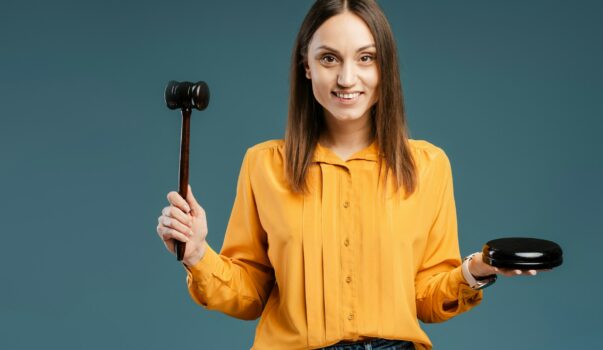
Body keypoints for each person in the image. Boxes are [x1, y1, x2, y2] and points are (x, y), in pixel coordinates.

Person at [156, 1, 546, 349]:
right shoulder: (264, 165)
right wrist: (197, 254)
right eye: (329, 58)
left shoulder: (428, 166)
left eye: (365, 58)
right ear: (305, 67)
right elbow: (252, 294)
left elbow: (426, 298)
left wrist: (478, 269)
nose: (346, 78)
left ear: (385, 67)